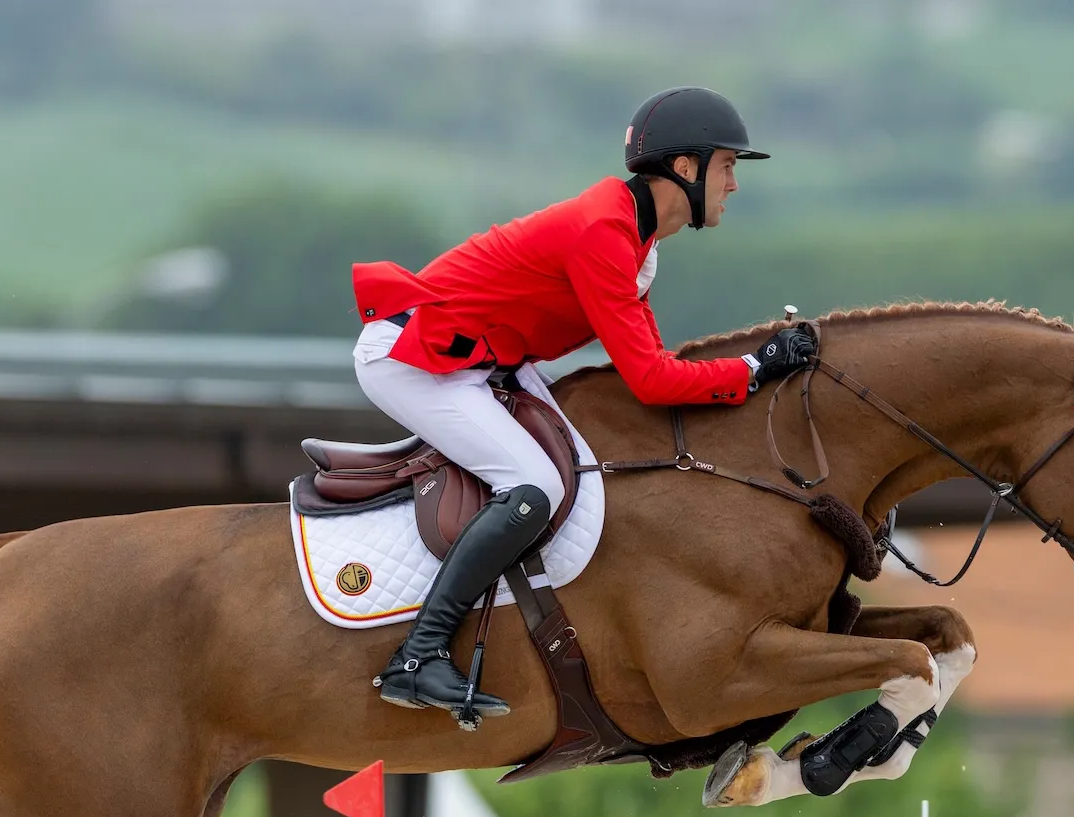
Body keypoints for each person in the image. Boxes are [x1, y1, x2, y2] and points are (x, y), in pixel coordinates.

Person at [348, 86, 817, 722]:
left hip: (484, 362)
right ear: (686, 168)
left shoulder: (635, 236)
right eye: (728, 166)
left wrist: (748, 369)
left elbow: (651, 369)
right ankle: (417, 655)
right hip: (415, 360)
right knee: (535, 484)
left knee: (591, 467)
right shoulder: (605, 232)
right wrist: (756, 367)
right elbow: (652, 380)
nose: (734, 184)